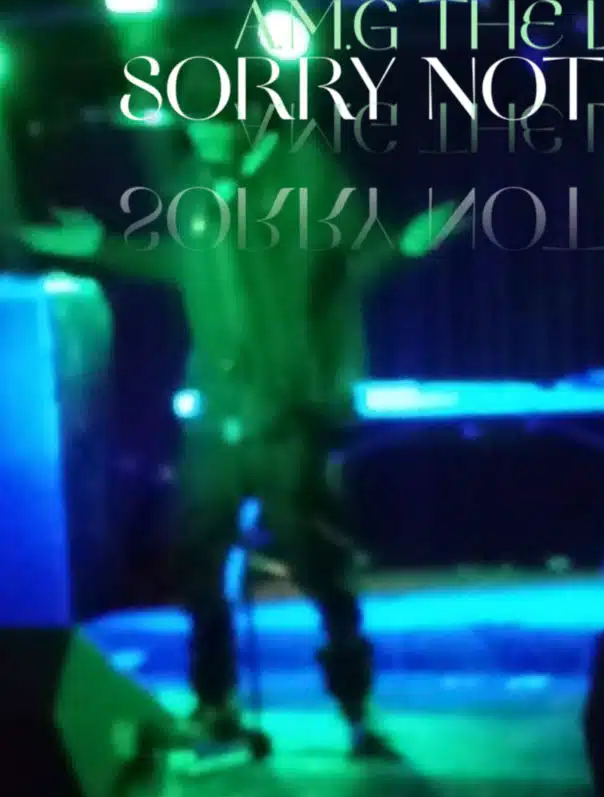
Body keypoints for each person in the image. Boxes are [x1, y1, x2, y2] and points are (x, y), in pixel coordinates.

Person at [18, 94, 456, 756]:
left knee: (318, 563)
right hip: (217, 412)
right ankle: (214, 703)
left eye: (214, 123)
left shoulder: (304, 171)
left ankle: (356, 706)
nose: (202, 136)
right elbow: (183, 262)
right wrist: (101, 245)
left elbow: (349, 262)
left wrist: (403, 246)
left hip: (287, 410)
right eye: (193, 126)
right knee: (199, 559)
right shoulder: (194, 184)